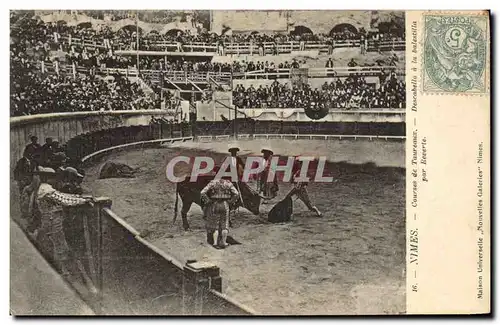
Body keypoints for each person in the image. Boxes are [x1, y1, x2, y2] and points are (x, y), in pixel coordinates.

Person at [31, 166, 95, 276]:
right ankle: (62, 273)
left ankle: (60, 271)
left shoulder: (45, 188)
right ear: (48, 178)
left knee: (57, 245)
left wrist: (81, 198)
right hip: (52, 220)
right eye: (52, 177)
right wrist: (83, 200)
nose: (54, 179)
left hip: (50, 219)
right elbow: (64, 200)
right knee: (59, 246)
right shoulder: (46, 189)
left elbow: (63, 196)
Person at [200, 177, 239, 248]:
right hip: (225, 204)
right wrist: (231, 201)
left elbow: (202, 192)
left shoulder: (212, 182)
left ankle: (215, 243)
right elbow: (236, 194)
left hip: (214, 204)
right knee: (225, 224)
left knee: (215, 225)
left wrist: (208, 200)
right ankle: (224, 242)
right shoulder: (228, 183)